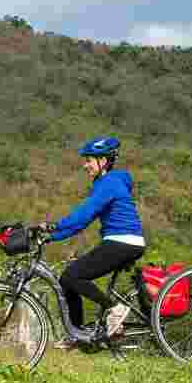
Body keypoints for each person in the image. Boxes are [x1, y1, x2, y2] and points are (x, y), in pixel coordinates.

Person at [39, 136, 145, 348]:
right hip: (119, 241)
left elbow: (83, 215)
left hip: (123, 241)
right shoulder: (104, 183)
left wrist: (54, 225)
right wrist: (52, 236)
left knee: (72, 276)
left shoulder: (110, 183)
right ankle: (77, 333)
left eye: (89, 160)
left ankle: (115, 309)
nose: (85, 165)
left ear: (103, 161)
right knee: (66, 279)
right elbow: (81, 224)